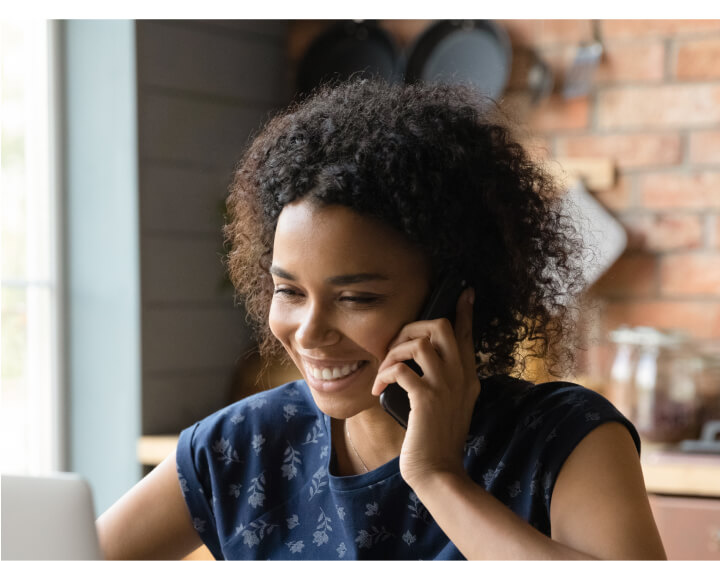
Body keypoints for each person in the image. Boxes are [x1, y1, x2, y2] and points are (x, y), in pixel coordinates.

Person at [96, 78, 666, 560]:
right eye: (289, 291)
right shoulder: (242, 446)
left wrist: (438, 477)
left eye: (356, 298)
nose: (310, 332)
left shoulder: (565, 440)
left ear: (452, 296)